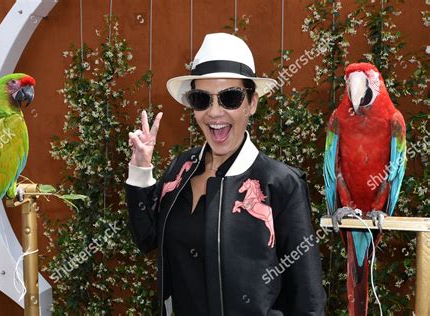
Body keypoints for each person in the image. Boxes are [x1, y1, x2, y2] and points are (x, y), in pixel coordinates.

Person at [125, 33, 326, 316]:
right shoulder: (181, 168)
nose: (214, 112)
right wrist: (141, 169)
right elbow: (146, 237)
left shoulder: (281, 183)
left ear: (252, 103)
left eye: (230, 98)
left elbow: (308, 299)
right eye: (201, 99)